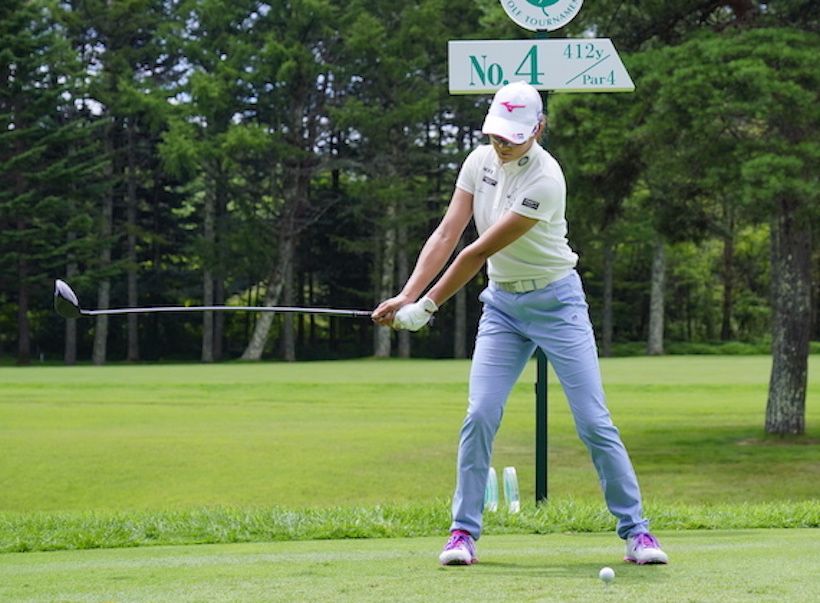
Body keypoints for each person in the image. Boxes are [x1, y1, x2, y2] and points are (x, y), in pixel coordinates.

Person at [372, 81, 668, 567]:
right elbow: (447, 232)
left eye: (512, 136)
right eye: (495, 134)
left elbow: (477, 251)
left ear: (538, 129)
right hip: (503, 308)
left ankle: (637, 532)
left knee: (594, 422)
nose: (502, 144)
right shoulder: (477, 162)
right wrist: (407, 294)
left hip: (558, 304)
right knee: (480, 414)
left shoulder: (546, 179)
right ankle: (462, 533)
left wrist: (427, 307)